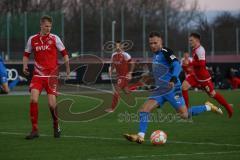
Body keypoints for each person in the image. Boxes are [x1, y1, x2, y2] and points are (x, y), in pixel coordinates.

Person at [123, 31, 222, 144]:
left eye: (155, 43)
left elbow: (176, 65)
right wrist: (132, 86)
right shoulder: (155, 55)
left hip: (172, 89)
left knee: (184, 115)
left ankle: (207, 107)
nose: (153, 45)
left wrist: (174, 78)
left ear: (161, 42)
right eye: (151, 43)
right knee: (143, 110)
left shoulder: (166, 51)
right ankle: (140, 136)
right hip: (160, 90)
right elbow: (154, 75)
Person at [23, 15, 70, 139]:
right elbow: (26, 54)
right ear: (41, 25)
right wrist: (24, 66)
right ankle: (35, 130)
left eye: (50, 26)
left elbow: (64, 53)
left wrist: (68, 68)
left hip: (52, 76)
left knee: (51, 105)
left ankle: (56, 125)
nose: (48, 28)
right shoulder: (32, 39)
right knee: (33, 99)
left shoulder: (55, 38)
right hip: (37, 75)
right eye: (46, 26)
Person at [182, 33, 233, 118]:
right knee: (184, 87)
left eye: (191, 40)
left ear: (197, 40)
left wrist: (190, 63)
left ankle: (228, 108)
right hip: (195, 76)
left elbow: (202, 63)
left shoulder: (200, 50)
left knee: (212, 94)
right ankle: (186, 110)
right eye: (189, 40)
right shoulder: (195, 49)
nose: (190, 42)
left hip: (203, 78)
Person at [105, 41, 135, 112]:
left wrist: (130, 73)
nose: (117, 47)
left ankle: (112, 108)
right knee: (127, 91)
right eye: (116, 46)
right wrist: (110, 71)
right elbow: (113, 64)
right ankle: (139, 87)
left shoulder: (126, 55)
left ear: (122, 47)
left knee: (116, 90)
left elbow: (132, 63)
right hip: (119, 76)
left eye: (119, 46)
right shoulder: (113, 55)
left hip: (124, 76)